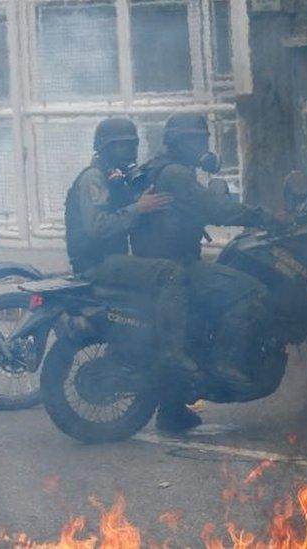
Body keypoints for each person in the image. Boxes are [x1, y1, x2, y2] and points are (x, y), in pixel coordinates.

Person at [129, 113, 280, 420]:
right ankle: (227, 365)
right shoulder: (175, 174)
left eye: (204, 140)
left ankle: (172, 409)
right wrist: (262, 215)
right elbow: (214, 207)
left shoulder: (157, 168)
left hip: (156, 264)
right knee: (249, 292)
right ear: (182, 142)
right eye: (198, 140)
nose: (203, 147)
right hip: (176, 266)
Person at [64, 117, 203, 433]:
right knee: (170, 275)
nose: (128, 151)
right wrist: (138, 209)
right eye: (121, 145)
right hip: (98, 264)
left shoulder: (113, 176)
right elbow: (97, 228)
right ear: (105, 148)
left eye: (132, 144)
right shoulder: (93, 179)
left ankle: (172, 406)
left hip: (111, 260)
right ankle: (172, 354)